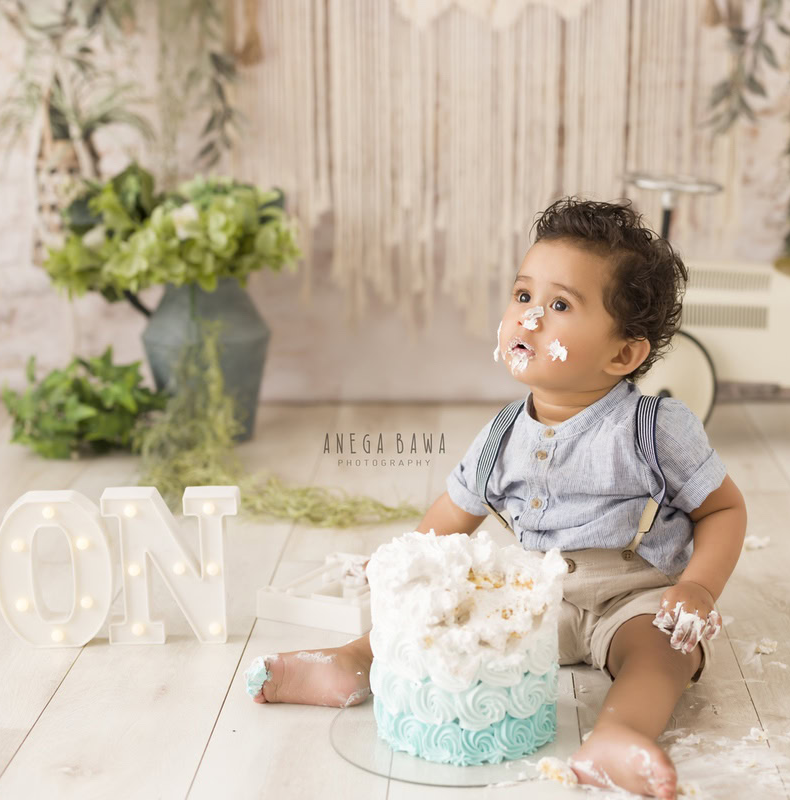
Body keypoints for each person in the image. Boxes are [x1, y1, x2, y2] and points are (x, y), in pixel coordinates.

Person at [249, 197, 747, 799]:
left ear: (622, 354)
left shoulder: (651, 428)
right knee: (446, 617)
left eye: (559, 305)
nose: (528, 319)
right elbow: (452, 516)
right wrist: (407, 567)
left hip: (634, 597)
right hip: (536, 598)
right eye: (522, 295)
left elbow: (723, 509)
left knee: (660, 653)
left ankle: (620, 734)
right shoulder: (501, 435)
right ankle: (356, 660)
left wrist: (698, 588)